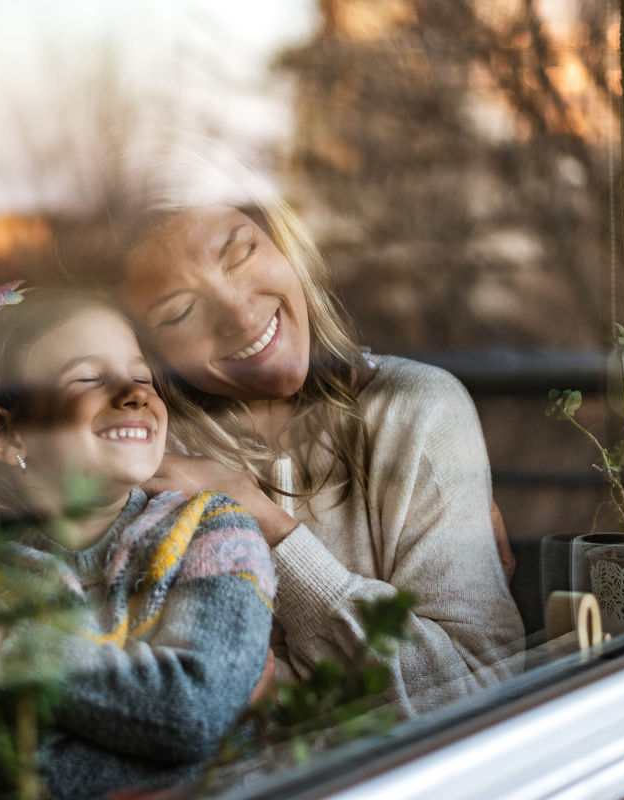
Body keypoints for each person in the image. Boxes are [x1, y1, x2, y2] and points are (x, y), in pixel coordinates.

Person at [69, 141, 525, 714]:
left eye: (240, 254)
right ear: (149, 351)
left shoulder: (418, 409)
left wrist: (268, 526)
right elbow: (149, 704)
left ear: (282, 243)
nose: (240, 314)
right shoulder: (151, 463)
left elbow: (477, 688)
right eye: (180, 311)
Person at [0, 282, 277, 800]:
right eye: (87, 377)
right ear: (5, 435)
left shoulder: (216, 531)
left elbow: (195, 714)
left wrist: (11, 646)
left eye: (141, 375)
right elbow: (0, 776)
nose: (134, 393)